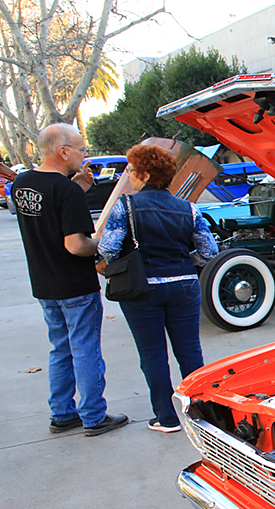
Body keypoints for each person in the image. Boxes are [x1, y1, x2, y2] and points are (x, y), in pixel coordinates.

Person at [12, 124, 127, 436]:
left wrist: (77, 189)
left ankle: (62, 413)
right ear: (63, 152)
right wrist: (101, 243)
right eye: (80, 149)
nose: (84, 155)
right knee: (86, 349)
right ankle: (94, 416)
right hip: (75, 284)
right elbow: (76, 245)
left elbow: (48, 212)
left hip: (44, 282)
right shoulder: (67, 191)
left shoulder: (22, 183)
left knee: (60, 349)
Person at [98, 144, 219, 432]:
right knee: (190, 351)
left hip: (141, 289)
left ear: (145, 174)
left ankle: (166, 417)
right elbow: (209, 252)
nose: (129, 175)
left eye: (132, 170)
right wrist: (184, 260)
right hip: (184, 285)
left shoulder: (126, 206)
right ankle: (202, 412)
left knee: (152, 355)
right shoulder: (189, 208)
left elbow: (108, 248)